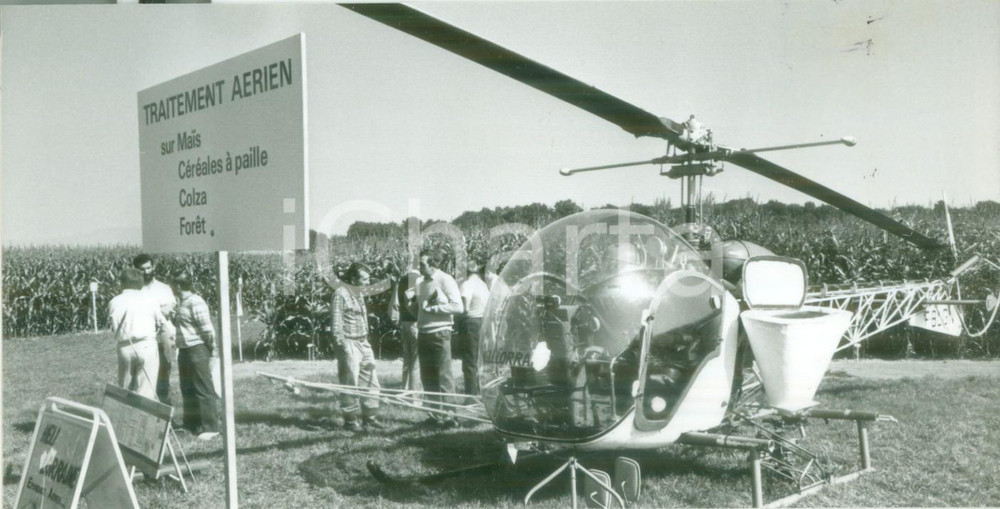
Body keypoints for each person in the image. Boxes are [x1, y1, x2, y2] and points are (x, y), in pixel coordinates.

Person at [412, 248, 463, 427]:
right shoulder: (420, 282)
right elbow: (418, 308)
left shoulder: (445, 280)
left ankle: (450, 416)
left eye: (422, 264)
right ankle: (435, 416)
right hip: (423, 332)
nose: (419, 267)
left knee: (444, 376)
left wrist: (433, 309)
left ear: (433, 265)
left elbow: (458, 306)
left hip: (440, 332)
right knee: (428, 376)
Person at [331, 262, 383, 432]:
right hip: (349, 343)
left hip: (363, 342)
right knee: (350, 383)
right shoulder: (341, 294)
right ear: (353, 278)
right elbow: (336, 323)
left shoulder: (358, 293)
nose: (368, 283)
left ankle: (370, 418)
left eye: (368, 279)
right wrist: (343, 346)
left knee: (371, 380)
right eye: (364, 279)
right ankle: (351, 421)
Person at [171, 273, 220, 440]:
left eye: (173, 286)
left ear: (178, 287)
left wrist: (213, 350)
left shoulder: (196, 302)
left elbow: (207, 329)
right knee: (187, 388)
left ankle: (210, 427)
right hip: (184, 350)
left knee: (203, 388)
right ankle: (191, 423)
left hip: (197, 349)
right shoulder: (182, 303)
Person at [109, 267, 169, 400]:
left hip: (124, 346)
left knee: (125, 386)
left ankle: (124, 416)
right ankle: (142, 418)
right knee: (146, 388)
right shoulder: (150, 299)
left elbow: (114, 327)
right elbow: (161, 322)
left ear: (122, 283)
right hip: (146, 344)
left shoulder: (114, 301)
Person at [134, 254, 178, 406]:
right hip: (143, 336)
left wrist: (154, 312)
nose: (146, 272)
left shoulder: (163, 288)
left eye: (148, 268)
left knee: (163, 374)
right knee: (142, 377)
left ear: (153, 267)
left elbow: (168, 310)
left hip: (162, 335)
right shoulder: (135, 290)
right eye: (142, 269)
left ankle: (165, 416)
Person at [457, 261, 490, 397]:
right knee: (479, 359)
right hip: (483, 322)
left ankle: (471, 395)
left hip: (471, 323)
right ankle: (481, 391)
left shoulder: (467, 285)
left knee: (469, 361)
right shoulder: (483, 285)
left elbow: (464, 308)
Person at [388, 268, 422, 398]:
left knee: (407, 358)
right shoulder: (419, 281)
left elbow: (395, 305)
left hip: (405, 323)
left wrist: (397, 320)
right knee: (416, 361)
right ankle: (415, 394)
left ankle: (405, 387)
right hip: (416, 323)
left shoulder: (401, 281)